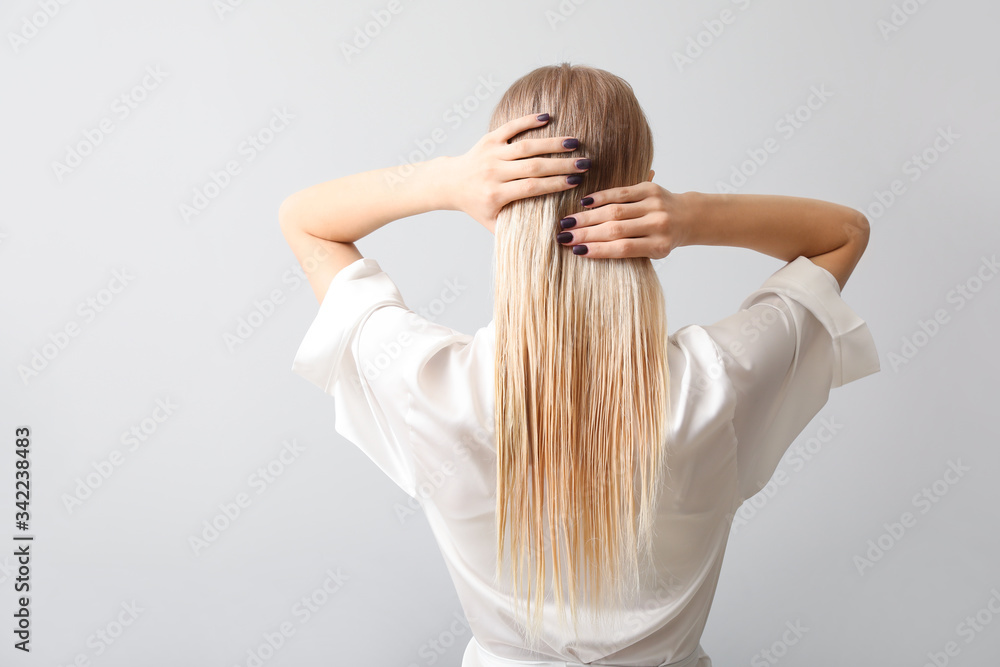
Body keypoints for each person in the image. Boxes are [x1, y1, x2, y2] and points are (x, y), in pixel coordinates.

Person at [278, 63, 880, 667]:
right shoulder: (718, 382)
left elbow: (306, 222)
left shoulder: (430, 385)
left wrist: (447, 181)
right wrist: (692, 216)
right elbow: (844, 233)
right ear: (646, 187)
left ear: (501, 204)